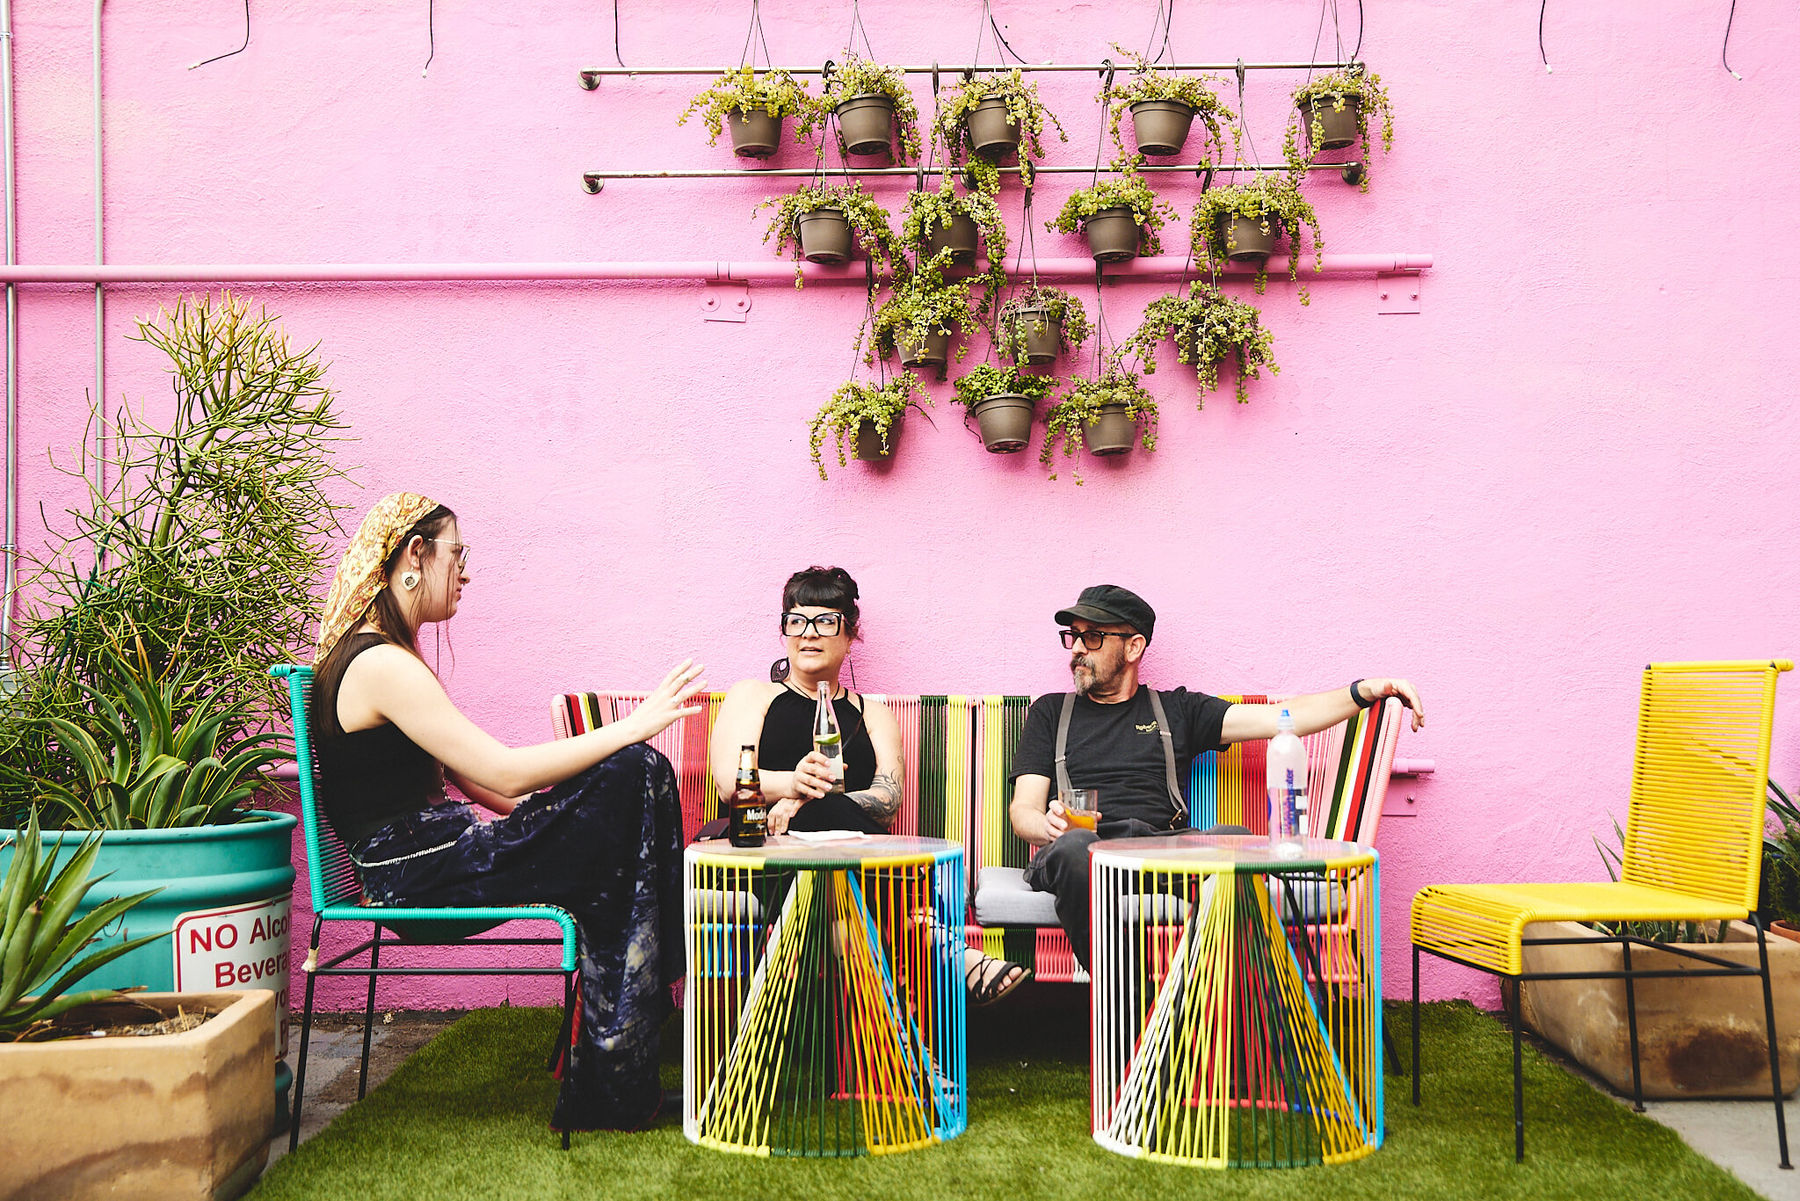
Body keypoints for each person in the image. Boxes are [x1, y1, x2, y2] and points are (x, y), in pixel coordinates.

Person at [309, 493, 707, 1132]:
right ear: (416, 555)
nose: (466, 572)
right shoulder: (380, 663)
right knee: (633, 767)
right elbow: (500, 771)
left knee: (635, 778)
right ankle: (626, 1046)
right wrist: (629, 729)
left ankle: (624, 1055)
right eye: (458, 555)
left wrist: (568, 815)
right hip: (417, 877)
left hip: (442, 856)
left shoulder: (387, 657)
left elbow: (485, 787)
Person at [1008, 584, 1425, 972]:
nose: (1078, 648)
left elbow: (1287, 718)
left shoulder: (1177, 710)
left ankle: (1214, 1001)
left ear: (1134, 647)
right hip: (1083, 849)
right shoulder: (1050, 712)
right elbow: (1023, 810)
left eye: (1093, 637)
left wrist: (1365, 691)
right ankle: (1134, 1014)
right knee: (1075, 847)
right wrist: (1046, 825)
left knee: (1235, 839)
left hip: (1159, 849)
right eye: (1074, 636)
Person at [708, 565, 1034, 1006]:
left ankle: (900, 1051)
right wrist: (796, 785)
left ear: (850, 633)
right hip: (762, 853)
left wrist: (800, 801)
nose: (808, 634)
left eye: (825, 621)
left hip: (853, 866)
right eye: (796, 620)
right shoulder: (754, 695)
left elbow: (888, 798)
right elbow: (731, 782)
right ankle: (943, 952)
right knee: (827, 820)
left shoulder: (872, 713)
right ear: (783, 630)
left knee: (847, 913)